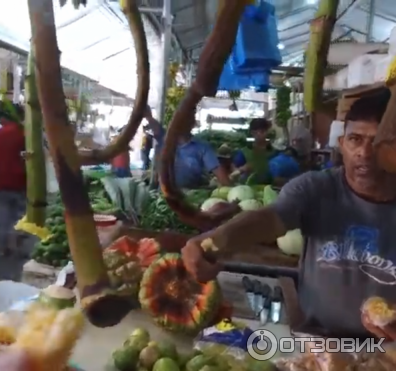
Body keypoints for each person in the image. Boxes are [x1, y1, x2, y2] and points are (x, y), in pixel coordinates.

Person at [181, 88, 396, 339]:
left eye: (377, 142)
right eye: (355, 139)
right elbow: (270, 218)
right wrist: (211, 243)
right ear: (341, 143)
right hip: (316, 342)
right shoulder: (316, 188)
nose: (364, 153)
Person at [144, 106, 232, 188]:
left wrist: (230, 189)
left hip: (189, 196)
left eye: (187, 119)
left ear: (192, 124)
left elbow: (217, 169)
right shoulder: (165, 139)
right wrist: (148, 116)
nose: (181, 123)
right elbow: (155, 126)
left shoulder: (202, 147)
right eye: (179, 119)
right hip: (163, 195)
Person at [0, 104, 27, 256]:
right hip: (21, 181)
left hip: (0, 181)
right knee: (21, 215)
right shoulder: (25, 133)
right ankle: (17, 243)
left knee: (2, 217)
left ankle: (4, 247)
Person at [232, 118, 276, 184]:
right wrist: (242, 169)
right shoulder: (244, 152)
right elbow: (234, 171)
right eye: (255, 132)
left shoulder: (274, 152)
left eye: (262, 131)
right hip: (248, 188)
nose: (259, 135)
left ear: (267, 131)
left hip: (269, 188)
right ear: (251, 133)